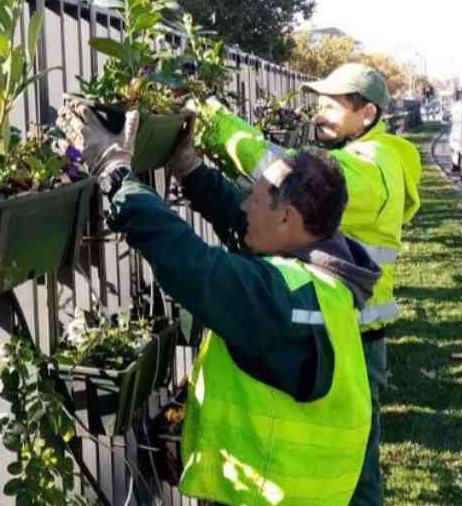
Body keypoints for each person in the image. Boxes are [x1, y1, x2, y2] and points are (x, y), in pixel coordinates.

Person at [57, 101, 380, 506]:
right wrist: (191, 170)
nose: (245, 204)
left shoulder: (285, 301)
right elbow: (242, 223)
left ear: (287, 219)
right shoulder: (322, 278)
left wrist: (115, 172)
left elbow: (192, 266)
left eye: (257, 199)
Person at [190, 63, 422, 506]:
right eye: (319, 103)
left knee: (351, 468)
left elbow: (282, 176)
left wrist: (215, 120)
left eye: (332, 106)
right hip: (346, 328)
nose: (318, 113)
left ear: (367, 113)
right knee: (345, 457)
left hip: (352, 335)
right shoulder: (367, 157)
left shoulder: (370, 168)